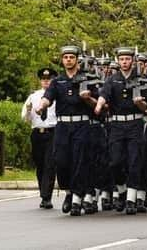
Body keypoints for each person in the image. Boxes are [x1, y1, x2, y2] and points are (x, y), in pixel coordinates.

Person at [36, 45, 97, 216]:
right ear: (62, 60)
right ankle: (69, 192)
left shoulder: (86, 79)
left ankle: (77, 198)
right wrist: (41, 106)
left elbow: (99, 105)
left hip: (81, 125)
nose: (68, 60)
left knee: (79, 160)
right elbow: (48, 97)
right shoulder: (58, 81)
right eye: (66, 57)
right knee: (61, 161)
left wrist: (88, 99)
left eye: (71, 57)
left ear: (77, 59)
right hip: (63, 126)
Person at [94, 47, 147, 215]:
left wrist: (140, 104)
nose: (124, 62)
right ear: (118, 61)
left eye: (127, 59)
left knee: (134, 161)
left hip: (134, 124)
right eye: (122, 59)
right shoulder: (112, 79)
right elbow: (104, 95)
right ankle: (122, 190)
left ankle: (131, 199)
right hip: (117, 126)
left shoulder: (140, 80)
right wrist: (99, 104)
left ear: (132, 60)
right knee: (115, 162)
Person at [22, 68, 57, 209]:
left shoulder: (57, 95)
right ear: (40, 81)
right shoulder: (33, 96)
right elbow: (25, 118)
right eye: (43, 79)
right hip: (37, 133)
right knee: (40, 165)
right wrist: (29, 109)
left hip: (52, 132)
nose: (46, 81)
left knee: (50, 164)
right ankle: (43, 193)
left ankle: (46, 197)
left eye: (48, 79)